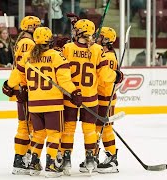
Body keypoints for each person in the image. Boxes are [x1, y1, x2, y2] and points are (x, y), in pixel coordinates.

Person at [3, 27, 82, 177]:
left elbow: (16, 76)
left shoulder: (27, 56)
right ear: (50, 40)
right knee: (54, 134)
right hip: (53, 103)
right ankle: (51, 165)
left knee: (38, 133)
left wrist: (8, 85)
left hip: (34, 103)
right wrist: (74, 92)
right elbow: (64, 80)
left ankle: (34, 163)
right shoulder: (56, 56)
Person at [60, 19, 123, 175]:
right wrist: (116, 75)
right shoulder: (97, 50)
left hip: (72, 95)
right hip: (92, 96)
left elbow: (60, 69)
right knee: (90, 130)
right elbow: (104, 75)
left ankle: (67, 159)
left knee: (69, 129)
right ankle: (90, 159)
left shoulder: (67, 48)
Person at [7, 16, 41, 175]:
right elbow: (26, 67)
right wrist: (24, 87)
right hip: (25, 89)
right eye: (37, 27)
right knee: (26, 125)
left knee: (27, 124)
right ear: (32, 27)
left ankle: (24, 155)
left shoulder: (22, 41)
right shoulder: (28, 43)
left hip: (22, 88)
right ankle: (20, 158)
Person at [94, 27, 119, 173]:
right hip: (99, 96)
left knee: (105, 128)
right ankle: (94, 156)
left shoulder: (109, 56)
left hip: (105, 96)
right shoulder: (102, 53)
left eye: (100, 36)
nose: (97, 38)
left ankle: (112, 157)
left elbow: (105, 78)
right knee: (97, 128)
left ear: (106, 40)